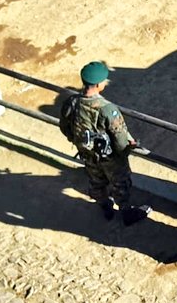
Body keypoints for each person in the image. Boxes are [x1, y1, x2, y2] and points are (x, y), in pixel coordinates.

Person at [59, 61, 150, 225]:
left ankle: (105, 207)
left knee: (96, 181)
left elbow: (64, 127)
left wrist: (78, 141)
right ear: (99, 84)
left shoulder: (72, 102)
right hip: (110, 158)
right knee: (120, 184)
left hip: (87, 154)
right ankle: (126, 213)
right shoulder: (107, 109)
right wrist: (125, 154)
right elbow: (121, 140)